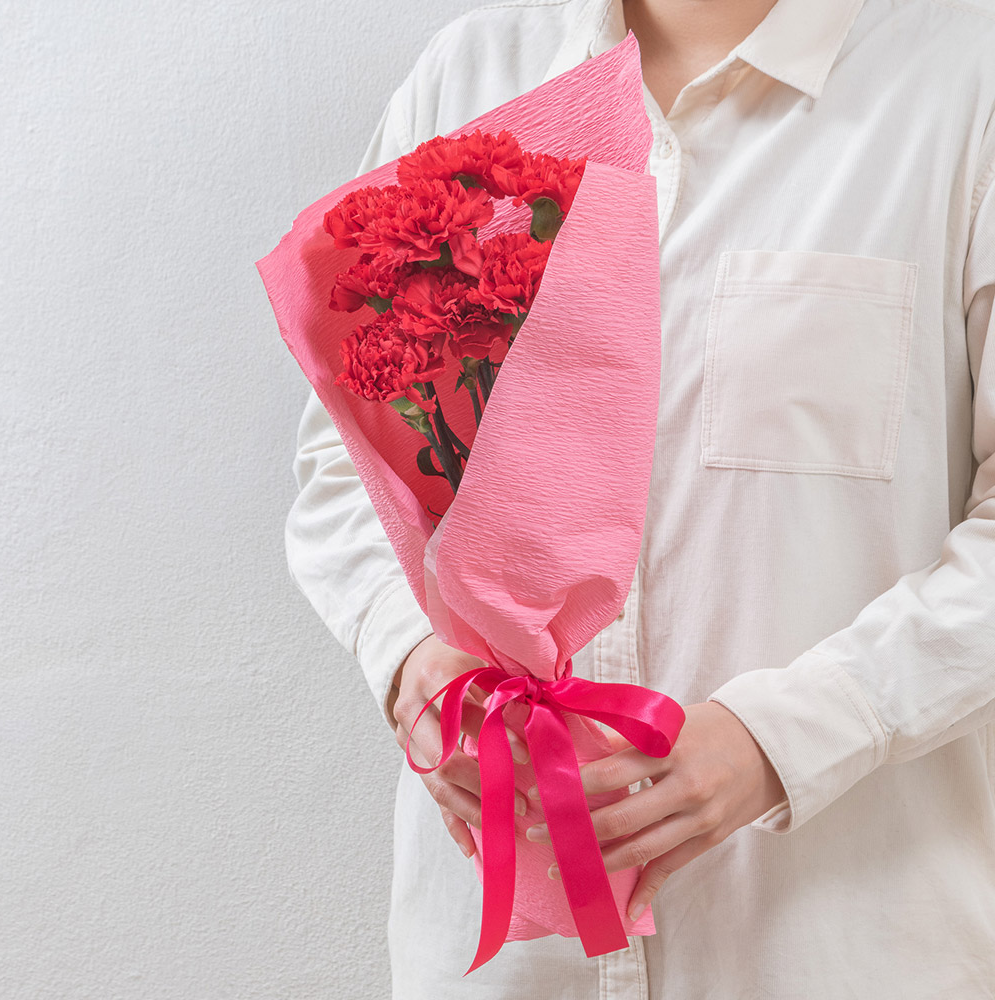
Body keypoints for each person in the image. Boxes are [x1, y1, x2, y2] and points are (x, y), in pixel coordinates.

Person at [284, 0, 995, 996]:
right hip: (513, 958)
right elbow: (345, 455)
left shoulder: (965, 79)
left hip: (838, 939)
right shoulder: (472, 72)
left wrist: (777, 740)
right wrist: (417, 667)